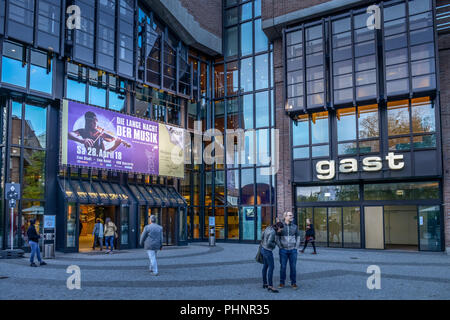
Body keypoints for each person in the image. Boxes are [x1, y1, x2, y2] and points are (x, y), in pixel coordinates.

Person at [276, 211, 301, 289]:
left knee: (293, 267)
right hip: (283, 250)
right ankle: (281, 282)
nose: (291, 216)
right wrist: (280, 247)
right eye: (290, 215)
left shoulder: (295, 227)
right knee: (283, 267)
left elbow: (298, 237)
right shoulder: (281, 226)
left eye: (292, 215)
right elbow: (277, 237)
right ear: (285, 217)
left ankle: (293, 283)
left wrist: (296, 247)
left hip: (293, 250)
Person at [260, 222, 284, 293]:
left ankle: (265, 283)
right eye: (281, 229)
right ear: (278, 227)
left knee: (265, 266)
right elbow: (269, 243)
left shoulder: (268, 228)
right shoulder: (273, 232)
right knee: (271, 267)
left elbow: (262, 236)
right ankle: (270, 286)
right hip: (267, 251)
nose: (281, 231)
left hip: (263, 249)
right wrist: (274, 245)